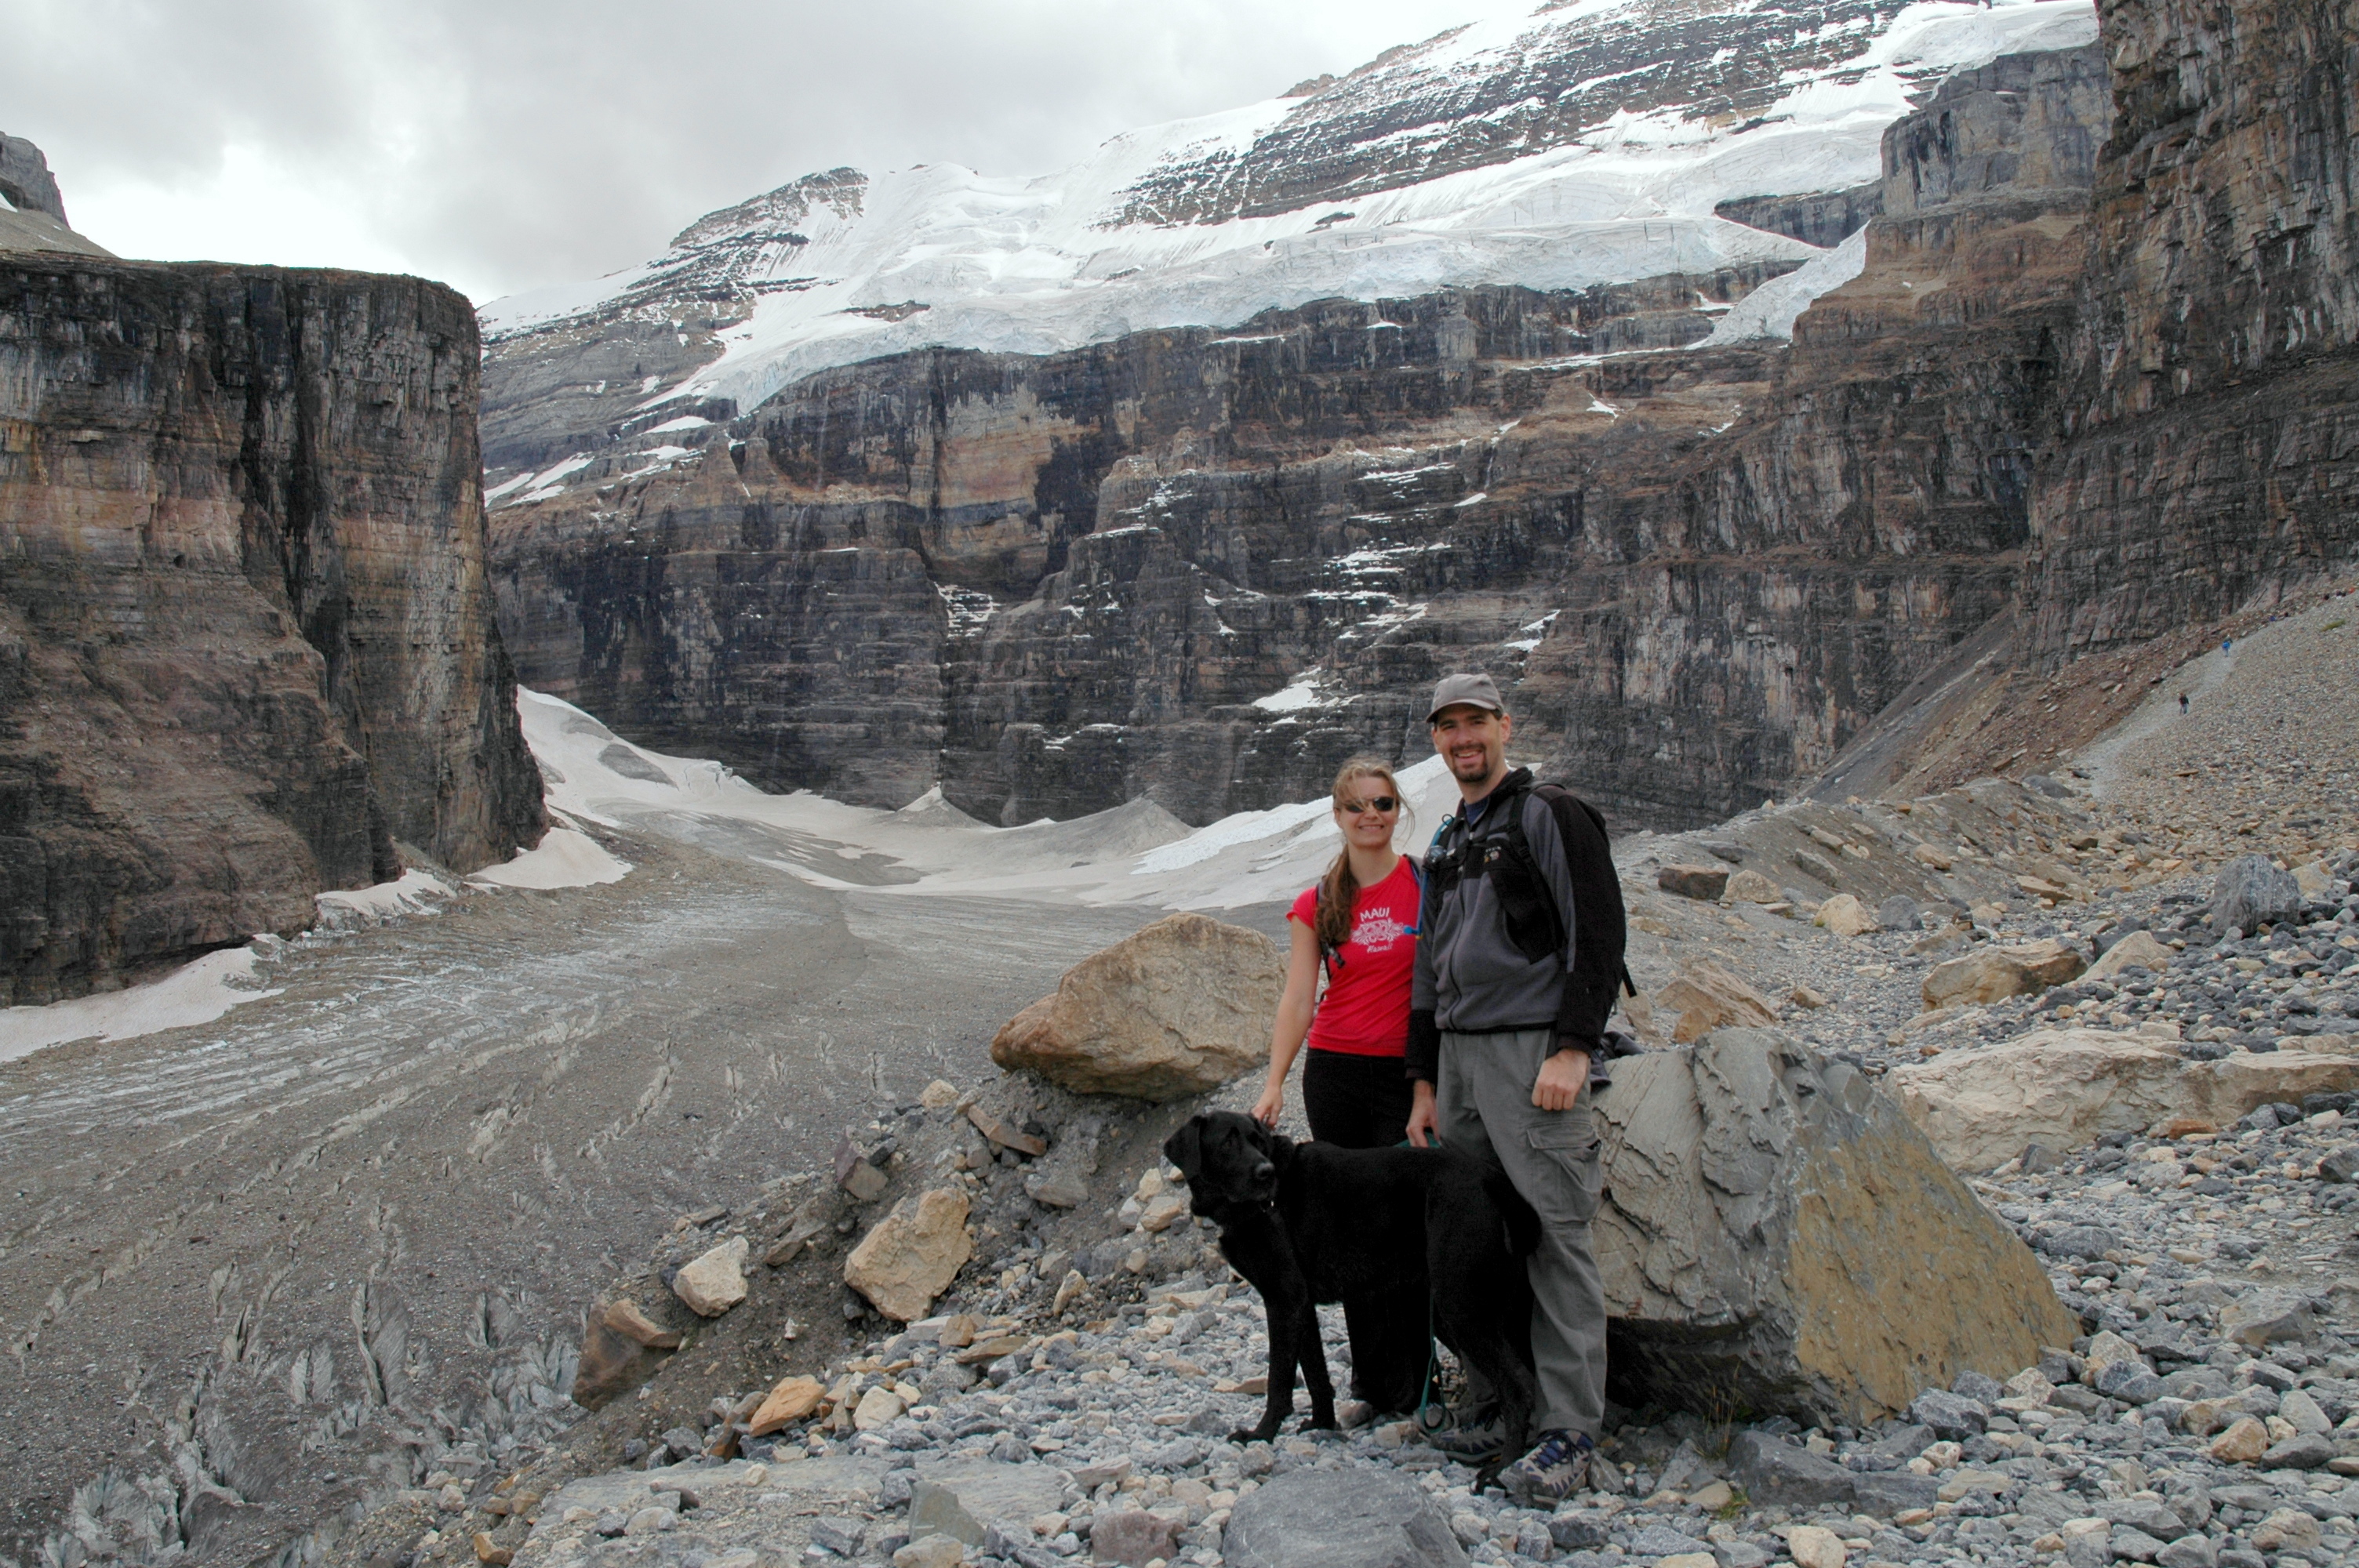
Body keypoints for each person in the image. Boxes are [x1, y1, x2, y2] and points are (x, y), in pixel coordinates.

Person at [1403, 672, 1625, 1504]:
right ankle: (1508, 1405)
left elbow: (1599, 930)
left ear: (1505, 725)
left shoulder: (1549, 814)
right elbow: (1428, 969)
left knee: (1555, 1233)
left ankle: (1570, 1431)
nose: (1463, 738)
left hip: (1531, 1052)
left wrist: (1572, 1047)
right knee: (1478, 1239)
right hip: (1460, 1063)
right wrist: (1423, 1080)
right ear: (1435, 739)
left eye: (1476, 722)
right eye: (1448, 726)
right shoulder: (1449, 837)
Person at [1252, 756, 1429, 1411]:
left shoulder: (1427, 885)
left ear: (1397, 811)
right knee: (1354, 1231)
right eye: (1357, 805)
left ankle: (1420, 1384)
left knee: (1404, 1227)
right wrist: (1274, 1081)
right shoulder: (1317, 903)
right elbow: (1299, 999)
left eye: (1382, 804)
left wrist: (1429, 1085)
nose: (1370, 816)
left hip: (1405, 1073)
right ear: (1337, 815)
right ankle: (1374, 1386)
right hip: (1335, 1075)